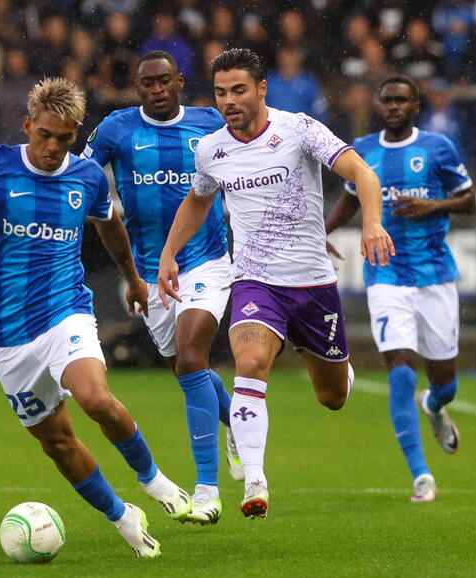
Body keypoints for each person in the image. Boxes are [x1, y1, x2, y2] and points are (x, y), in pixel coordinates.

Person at [0, 77, 191, 558]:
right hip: (8, 335)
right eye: (44, 135)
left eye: (64, 138)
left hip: (66, 313)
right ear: (27, 126)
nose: (53, 147)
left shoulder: (88, 178)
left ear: (75, 134)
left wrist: (134, 280)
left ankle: (154, 481)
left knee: (96, 398)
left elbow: (112, 227)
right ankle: (123, 518)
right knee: (58, 444)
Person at [158, 48, 394, 518]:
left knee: (332, 397)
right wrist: (169, 252)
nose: (229, 101)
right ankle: (255, 479)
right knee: (249, 363)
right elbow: (197, 202)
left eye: (239, 90)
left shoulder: (299, 129)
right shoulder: (211, 150)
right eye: (221, 92)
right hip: (254, 281)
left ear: (262, 89)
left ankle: (339, 371)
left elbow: (363, 173)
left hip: (312, 286)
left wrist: (372, 224)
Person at [81, 50, 238, 525]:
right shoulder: (116, 128)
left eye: (163, 81)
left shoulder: (210, 123)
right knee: (184, 370)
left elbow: (252, 160)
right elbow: (81, 174)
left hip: (204, 260)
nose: (155, 90)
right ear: (137, 86)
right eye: (146, 83)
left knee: (193, 358)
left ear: (179, 82)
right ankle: (236, 422)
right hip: (149, 274)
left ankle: (207, 490)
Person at [325, 75, 476, 503]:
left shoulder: (437, 148)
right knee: (400, 368)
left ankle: (435, 405)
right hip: (386, 275)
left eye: (400, 100)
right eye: (386, 100)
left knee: (445, 381)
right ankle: (421, 475)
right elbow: (352, 197)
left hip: (435, 277)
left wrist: (435, 205)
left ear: (415, 106)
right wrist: (323, 230)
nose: (392, 106)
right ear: (379, 104)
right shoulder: (364, 149)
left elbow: (470, 199)